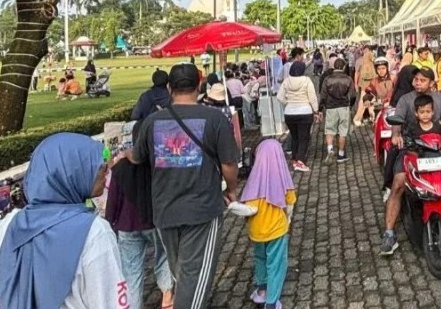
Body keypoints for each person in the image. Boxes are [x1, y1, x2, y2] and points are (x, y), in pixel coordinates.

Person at [0, 133, 126, 309]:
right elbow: (112, 301)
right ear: (73, 171)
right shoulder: (94, 232)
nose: (106, 172)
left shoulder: (7, 226)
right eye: (99, 166)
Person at [127, 63, 240, 309]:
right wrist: (231, 190)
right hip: (202, 209)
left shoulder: (152, 122)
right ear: (199, 85)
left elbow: (136, 157)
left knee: (181, 270)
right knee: (194, 274)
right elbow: (229, 162)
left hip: (165, 209)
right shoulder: (214, 119)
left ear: (170, 88)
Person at [380, 67, 441, 255]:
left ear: (431, 83)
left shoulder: (440, 98)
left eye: (422, 80)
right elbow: (397, 121)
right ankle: (389, 234)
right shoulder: (405, 99)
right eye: (416, 79)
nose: (418, 83)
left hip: (437, 148)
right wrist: (396, 136)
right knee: (399, 183)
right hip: (411, 148)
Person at [106, 122, 174, 309]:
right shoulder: (161, 164)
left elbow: (113, 200)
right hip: (156, 221)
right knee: (165, 258)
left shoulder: (120, 167)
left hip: (127, 224)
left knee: (130, 272)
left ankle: (132, 304)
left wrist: (110, 223)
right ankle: (168, 297)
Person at [241, 139, 297, 309]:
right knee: (276, 264)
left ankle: (262, 291)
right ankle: (272, 302)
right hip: (277, 230)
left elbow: (247, 209)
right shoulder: (283, 179)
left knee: (260, 259)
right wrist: (287, 219)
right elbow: (290, 202)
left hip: (257, 231)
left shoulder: (253, 182)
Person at [277, 61, 319, 172]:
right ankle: (300, 161)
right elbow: (312, 97)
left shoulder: (286, 81)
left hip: (290, 113)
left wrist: (288, 102)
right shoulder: (306, 81)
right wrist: (316, 111)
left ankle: (294, 158)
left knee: (295, 136)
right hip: (305, 111)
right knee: (304, 137)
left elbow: (279, 97)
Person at [320, 58, 357, 164]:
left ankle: (330, 149)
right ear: (344, 67)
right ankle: (341, 154)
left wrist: (320, 107)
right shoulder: (348, 79)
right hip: (344, 107)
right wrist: (351, 105)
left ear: (334, 67)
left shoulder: (327, 79)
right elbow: (353, 95)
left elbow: (323, 95)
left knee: (330, 130)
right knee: (342, 131)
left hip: (331, 107)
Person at [357, 58, 393, 125]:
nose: (381, 71)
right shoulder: (374, 81)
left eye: (383, 68)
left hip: (393, 108)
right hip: (380, 108)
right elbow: (368, 92)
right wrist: (366, 99)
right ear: (376, 70)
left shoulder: (394, 78)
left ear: (387, 68)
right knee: (378, 129)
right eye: (378, 69)